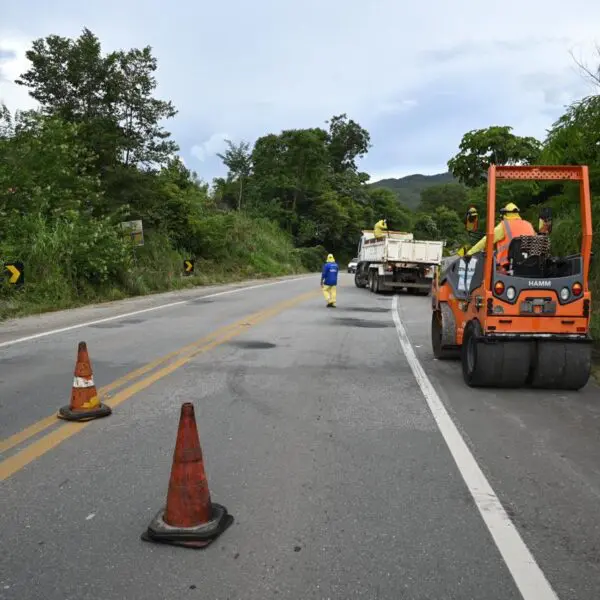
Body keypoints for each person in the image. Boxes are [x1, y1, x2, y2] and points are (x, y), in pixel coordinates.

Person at [466, 202, 535, 271]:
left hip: (507, 266)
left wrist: (470, 252)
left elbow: (487, 240)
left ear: (505, 214)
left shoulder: (504, 225)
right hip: (530, 264)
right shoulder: (529, 225)